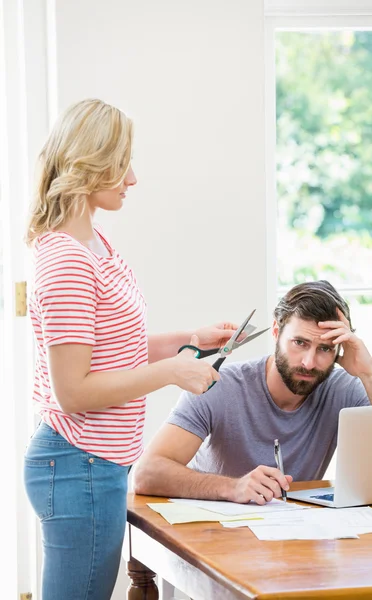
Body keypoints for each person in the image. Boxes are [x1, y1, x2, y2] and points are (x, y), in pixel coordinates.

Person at [23, 98, 239, 600]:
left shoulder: (94, 244)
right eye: (123, 163)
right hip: (78, 464)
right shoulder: (66, 262)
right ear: (90, 162)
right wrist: (172, 371)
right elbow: (74, 390)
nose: (133, 178)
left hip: (94, 466)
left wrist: (191, 339)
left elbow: (110, 350)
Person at [134, 280, 372, 505]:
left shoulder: (344, 388)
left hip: (293, 539)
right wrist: (233, 488)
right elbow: (147, 473)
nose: (309, 362)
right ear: (276, 332)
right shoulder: (221, 386)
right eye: (299, 343)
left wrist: (370, 373)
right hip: (212, 537)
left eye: (325, 349)